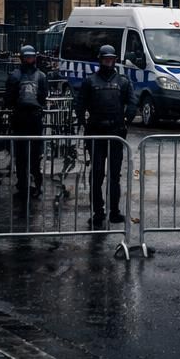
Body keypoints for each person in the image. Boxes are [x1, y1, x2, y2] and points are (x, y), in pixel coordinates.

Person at [74, 45, 133, 227]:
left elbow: (132, 102)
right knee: (97, 174)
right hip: (96, 134)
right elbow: (80, 104)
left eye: (111, 59)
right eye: (105, 59)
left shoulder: (123, 81)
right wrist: (85, 124)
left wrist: (125, 122)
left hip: (115, 133)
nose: (108, 62)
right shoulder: (90, 81)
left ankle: (114, 212)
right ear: (100, 59)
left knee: (114, 176)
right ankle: (98, 212)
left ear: (114, 60)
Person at [5, 45, 50, 199]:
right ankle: (26, 185)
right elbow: (43, 97)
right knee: (24, 155)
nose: (30, 60)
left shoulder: (15, 75)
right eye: (28, 57)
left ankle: (33, 184)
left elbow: (9, 99)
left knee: (33, 155)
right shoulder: (40, 76)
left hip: (26, 117)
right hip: (27, 118)